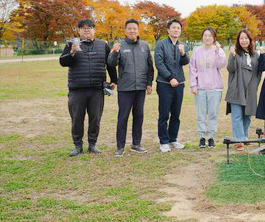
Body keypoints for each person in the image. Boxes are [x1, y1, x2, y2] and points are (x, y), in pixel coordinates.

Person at [60, 19, 117, 156]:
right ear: (78, 31)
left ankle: (92, 144)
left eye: (90, 27)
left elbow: (110, 64)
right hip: (77, 89)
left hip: (96, 89)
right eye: (83, 27)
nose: (87, 30)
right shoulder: (71, 44)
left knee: (95, 119)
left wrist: (114, 80)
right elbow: (63, 62)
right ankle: (77, 145)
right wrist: (72, 52)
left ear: (94, 30)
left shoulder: (103, 45)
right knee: (77, 119)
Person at [108, 19, 154, 157]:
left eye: (135, 28)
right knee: (123, 117)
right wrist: (115, 52)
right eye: (129, 28)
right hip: (125, 88)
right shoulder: (119, 45)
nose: (132, 31)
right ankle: (120, 146)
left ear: (138, 30)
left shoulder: (145, 46)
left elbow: (150, 67)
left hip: (140, 88)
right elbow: (111, 64)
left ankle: (136, 144)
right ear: (125, 30)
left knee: (139, 116)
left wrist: (149, 83)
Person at [154, 18, 190, 153]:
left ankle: (173, 139)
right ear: (168, 30)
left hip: (179, 83)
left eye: (178, 28)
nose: (176, 30)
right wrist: (170, 78)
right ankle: (163, 141)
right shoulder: (161, 44)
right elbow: (159, 63)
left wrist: (183, 53)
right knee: (164, 114)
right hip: (164, 83)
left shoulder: (183, 45)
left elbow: (186, 61)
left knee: (176, 113)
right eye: (173, 27)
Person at [189, 27, 226, 149]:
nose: (207, 38)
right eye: (205, 35)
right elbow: (193, 69)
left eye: (210, 35)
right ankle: (201, 137)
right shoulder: (197, 51)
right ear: (202, 37)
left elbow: (221, 64)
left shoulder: (217, 50)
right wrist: (194, 85)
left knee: (213, 114)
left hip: (215, 88)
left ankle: (211, 137)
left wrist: (218, 50)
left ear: (214, 38)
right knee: (201, 114)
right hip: (200, 88)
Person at [226, 29, 261, 151]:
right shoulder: (235, 53)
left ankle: (245, 137)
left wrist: (255, 86)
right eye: (241, 38)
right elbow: (230, 69)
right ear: (238, 40)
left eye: (246, 38)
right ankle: (238, 139)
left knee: (247, 115)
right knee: (237, 116)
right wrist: (232, 55)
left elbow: (258, 73)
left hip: (250, 89)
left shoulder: (256, 55)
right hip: (237, 88)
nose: (244, 40)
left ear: (250, 40)